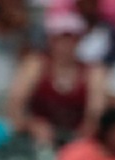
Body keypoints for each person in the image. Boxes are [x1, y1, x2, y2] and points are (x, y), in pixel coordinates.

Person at [7, 12, 106, 147]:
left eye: (71, 39)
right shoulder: (35, 65)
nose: (65, 44)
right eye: (59, 39)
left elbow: (95, 113)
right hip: (35, 138)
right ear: (50, 39)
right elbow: (15, 106)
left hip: (76, 138)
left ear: (79, 40)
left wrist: (84, 134)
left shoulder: (93, 71)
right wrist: (31, 124)